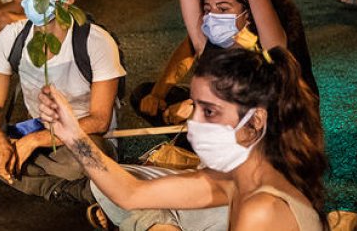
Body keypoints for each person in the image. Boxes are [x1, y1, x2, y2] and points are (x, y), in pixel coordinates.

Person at [40, 45, 326, 231]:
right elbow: (130, 193)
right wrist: (73, 135)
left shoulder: (262, 210)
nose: (195, 124)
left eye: (210, 111)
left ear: (256, 120)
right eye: (195, 107)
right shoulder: (234, 178)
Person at [0, 0, 126, 206]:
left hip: (84, 139)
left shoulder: (95, 41)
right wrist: (0, 140)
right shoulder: (12, 37)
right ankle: (79, 192)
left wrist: (33, 141)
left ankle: (55, 185)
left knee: (88, 157)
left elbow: (100, 121)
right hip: (37, 136)